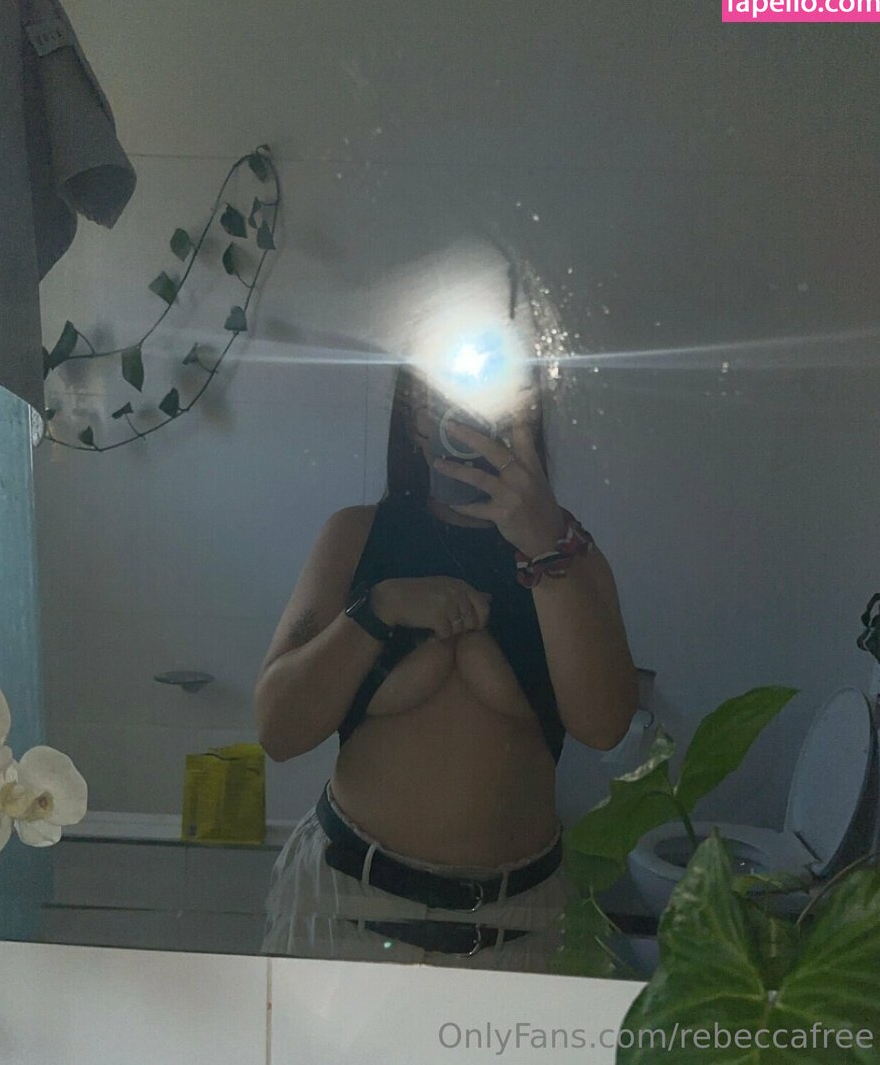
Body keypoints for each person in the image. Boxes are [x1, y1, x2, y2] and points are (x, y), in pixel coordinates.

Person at [255, 360, 639, 971]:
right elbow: (278, 729)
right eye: (440, 388)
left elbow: (605, 726)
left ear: (523, 413)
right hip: (344, 906)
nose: (465, 408)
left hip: (521, 926)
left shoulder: (571, 555)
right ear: (412, 415)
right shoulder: (354, 536)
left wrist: (544, 547)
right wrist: (379, 608)